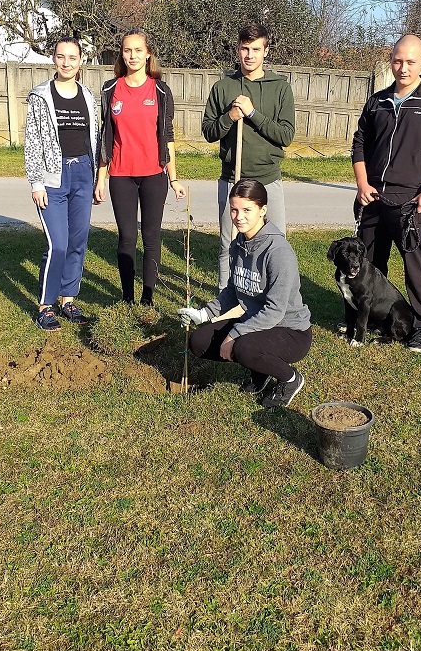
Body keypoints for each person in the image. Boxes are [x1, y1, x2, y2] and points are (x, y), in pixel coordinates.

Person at [351, 34, 421, 352]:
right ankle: (368, 316)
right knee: (368, 261)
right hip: (372, 196)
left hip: (413, 200)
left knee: (416, 262)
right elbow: (359, 143)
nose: (403, 68)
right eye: (398, 61)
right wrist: (361, 184)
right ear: (391, 60)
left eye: (411, 61)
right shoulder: (378, 100)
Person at [177, 178, 311, 409]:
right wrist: (204, 314)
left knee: (243, 347)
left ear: (263, 210)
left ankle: (290, 379)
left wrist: (235, 333)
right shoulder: (238, 243)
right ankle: (260, 372)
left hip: (290, 330)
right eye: (234, 210)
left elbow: (275, 310)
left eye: (247, 210)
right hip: (257, 324)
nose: (239, 217)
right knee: (199, 342)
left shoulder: (278, 252)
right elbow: (233, 290)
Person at [95, 29, 186, 305]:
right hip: (120, 175)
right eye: (127, 50)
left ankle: (147, 297)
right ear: (121, 54)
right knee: (126, 237)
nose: (132, 56)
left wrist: (174, 178)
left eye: (138, 50)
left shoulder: (160, 90)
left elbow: (167, 136)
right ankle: (127, 297)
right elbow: (105, 137)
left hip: (153, 176)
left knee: (150, 236)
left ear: (148, 54)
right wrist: (101, 179)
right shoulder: (111, 89)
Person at [202, 21, 295, 289]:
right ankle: (225, 305)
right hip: (234, 179)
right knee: (229, 244)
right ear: (238, 50)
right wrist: (230, 116)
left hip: (268, 179)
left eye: (256, 49)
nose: (250, 55)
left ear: (266, 51)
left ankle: (275, 304)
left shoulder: (280, 88)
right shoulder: (224, 87)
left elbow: (285, 136)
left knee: (276, 243)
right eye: (245, 48)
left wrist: (253, 114)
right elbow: (208, 131)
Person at [24, 37, 99, 331]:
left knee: (78, 241)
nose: (66, 62)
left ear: (81, 61)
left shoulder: (88, 96)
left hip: (83, 172)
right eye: (61, 57)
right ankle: (45, 304)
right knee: (58, 243)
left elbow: (94, 137)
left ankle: (68, 299)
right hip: (52, 178)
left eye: (72, 57)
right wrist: (36, 182)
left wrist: (96, 176)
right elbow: (32, 142)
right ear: (53, 59)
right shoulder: (41, 96)